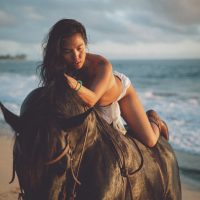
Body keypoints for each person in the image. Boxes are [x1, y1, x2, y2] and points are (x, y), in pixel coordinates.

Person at [39, 19, 168, 147]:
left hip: (120, 93)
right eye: (68, 51)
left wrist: (73, 84)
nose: (76, 56)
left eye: (80, 48)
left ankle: (154, 120)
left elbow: (92, 99)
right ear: (59, 52)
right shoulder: (62, 66)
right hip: (92, 106)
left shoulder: (102, 66)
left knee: (150, 141)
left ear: (85, 44)